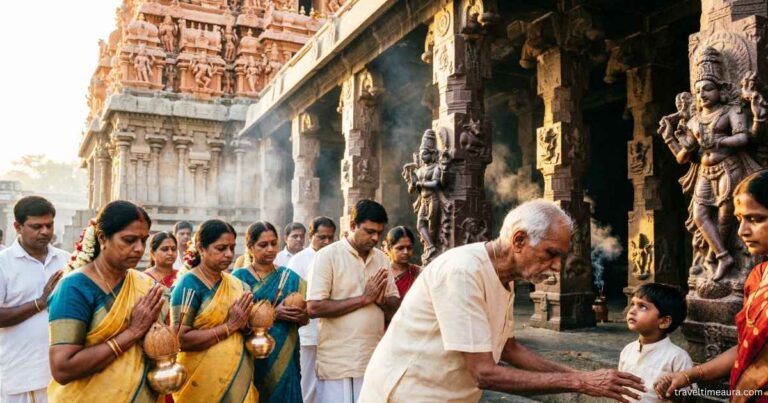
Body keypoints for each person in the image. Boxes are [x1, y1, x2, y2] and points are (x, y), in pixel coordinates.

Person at [359, 199, 646, 403]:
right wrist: (580, 382)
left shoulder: (504, 276)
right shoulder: (463, 271)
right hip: (405, 394)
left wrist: (583, 376)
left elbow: (509, 348)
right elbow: (483, 372)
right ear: (519, 240)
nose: (558, 266)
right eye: (551, 253)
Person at [657, 170, 768, 402]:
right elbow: (746, 348)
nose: (742, 231)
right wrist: (688, 376)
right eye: (740, 219)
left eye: (756, 219)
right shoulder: (758, 277)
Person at [48, 200, 165, 402]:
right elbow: (62, 368)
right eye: (129, 240)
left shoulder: (144, 284)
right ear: (103, 238)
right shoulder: (74, 288)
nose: (139, 248)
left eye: (144, 240)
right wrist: (132, 333)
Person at [307, 199, 400, 403]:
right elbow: (313, 307)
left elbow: (394, 305)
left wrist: (381, 300)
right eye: (369, 231)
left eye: (379, 232)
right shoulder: (327, 256)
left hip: (373, 360)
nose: (375, 238)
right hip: (341, 364)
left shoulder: (382, 258)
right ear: (352, 225)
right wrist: (363, 299)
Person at [171, 219, 257, 402]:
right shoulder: (188, 284)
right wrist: (229, 326)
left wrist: (248, 324)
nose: (229, 254)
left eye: (232, 248)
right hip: (200, 382)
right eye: (221, 248)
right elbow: (180, 339)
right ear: (201, 248)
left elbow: (248, 330)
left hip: (237, 377)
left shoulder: (239, 286)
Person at [0, 196, 67, 403]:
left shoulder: (67, 260)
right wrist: (41, 302)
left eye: (49, 225)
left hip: (64, 376)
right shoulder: (3, 263)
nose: (45, 232)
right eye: (36, 226)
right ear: (17, 227)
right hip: (22, 375)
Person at [233, 222, 309, 403]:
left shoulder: (289, 276)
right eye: (263, 245)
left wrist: (301, 316)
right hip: (251, 356)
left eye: (274, 244)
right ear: (250, 247)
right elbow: (234, 321)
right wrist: (274, 313)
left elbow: (306, 317)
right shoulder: (238, 279)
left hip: (285, 355)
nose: (270, 249)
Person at [286, 216, 337, 403]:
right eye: (322, 237)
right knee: (307, 384)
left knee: (329, 382)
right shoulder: (298, 261)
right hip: (308, 333)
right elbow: (292, 296)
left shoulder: (336, 257)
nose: (327, 242)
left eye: (330, 238)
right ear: (311, 236)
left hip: (334, 332)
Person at [619, 283, 693, 402]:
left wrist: (672, 394)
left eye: (642, 307)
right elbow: (621, 390)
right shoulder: (627, 350)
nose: (632, 311)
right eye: (632, 304)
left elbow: (690, 396)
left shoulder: (677, 357)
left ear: (664, 321)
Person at [384, 226, 420, 298]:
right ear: (389, 249)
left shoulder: (418, 272)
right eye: (400, 248)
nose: (406, 252)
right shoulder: (383, 273)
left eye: (409, 248)